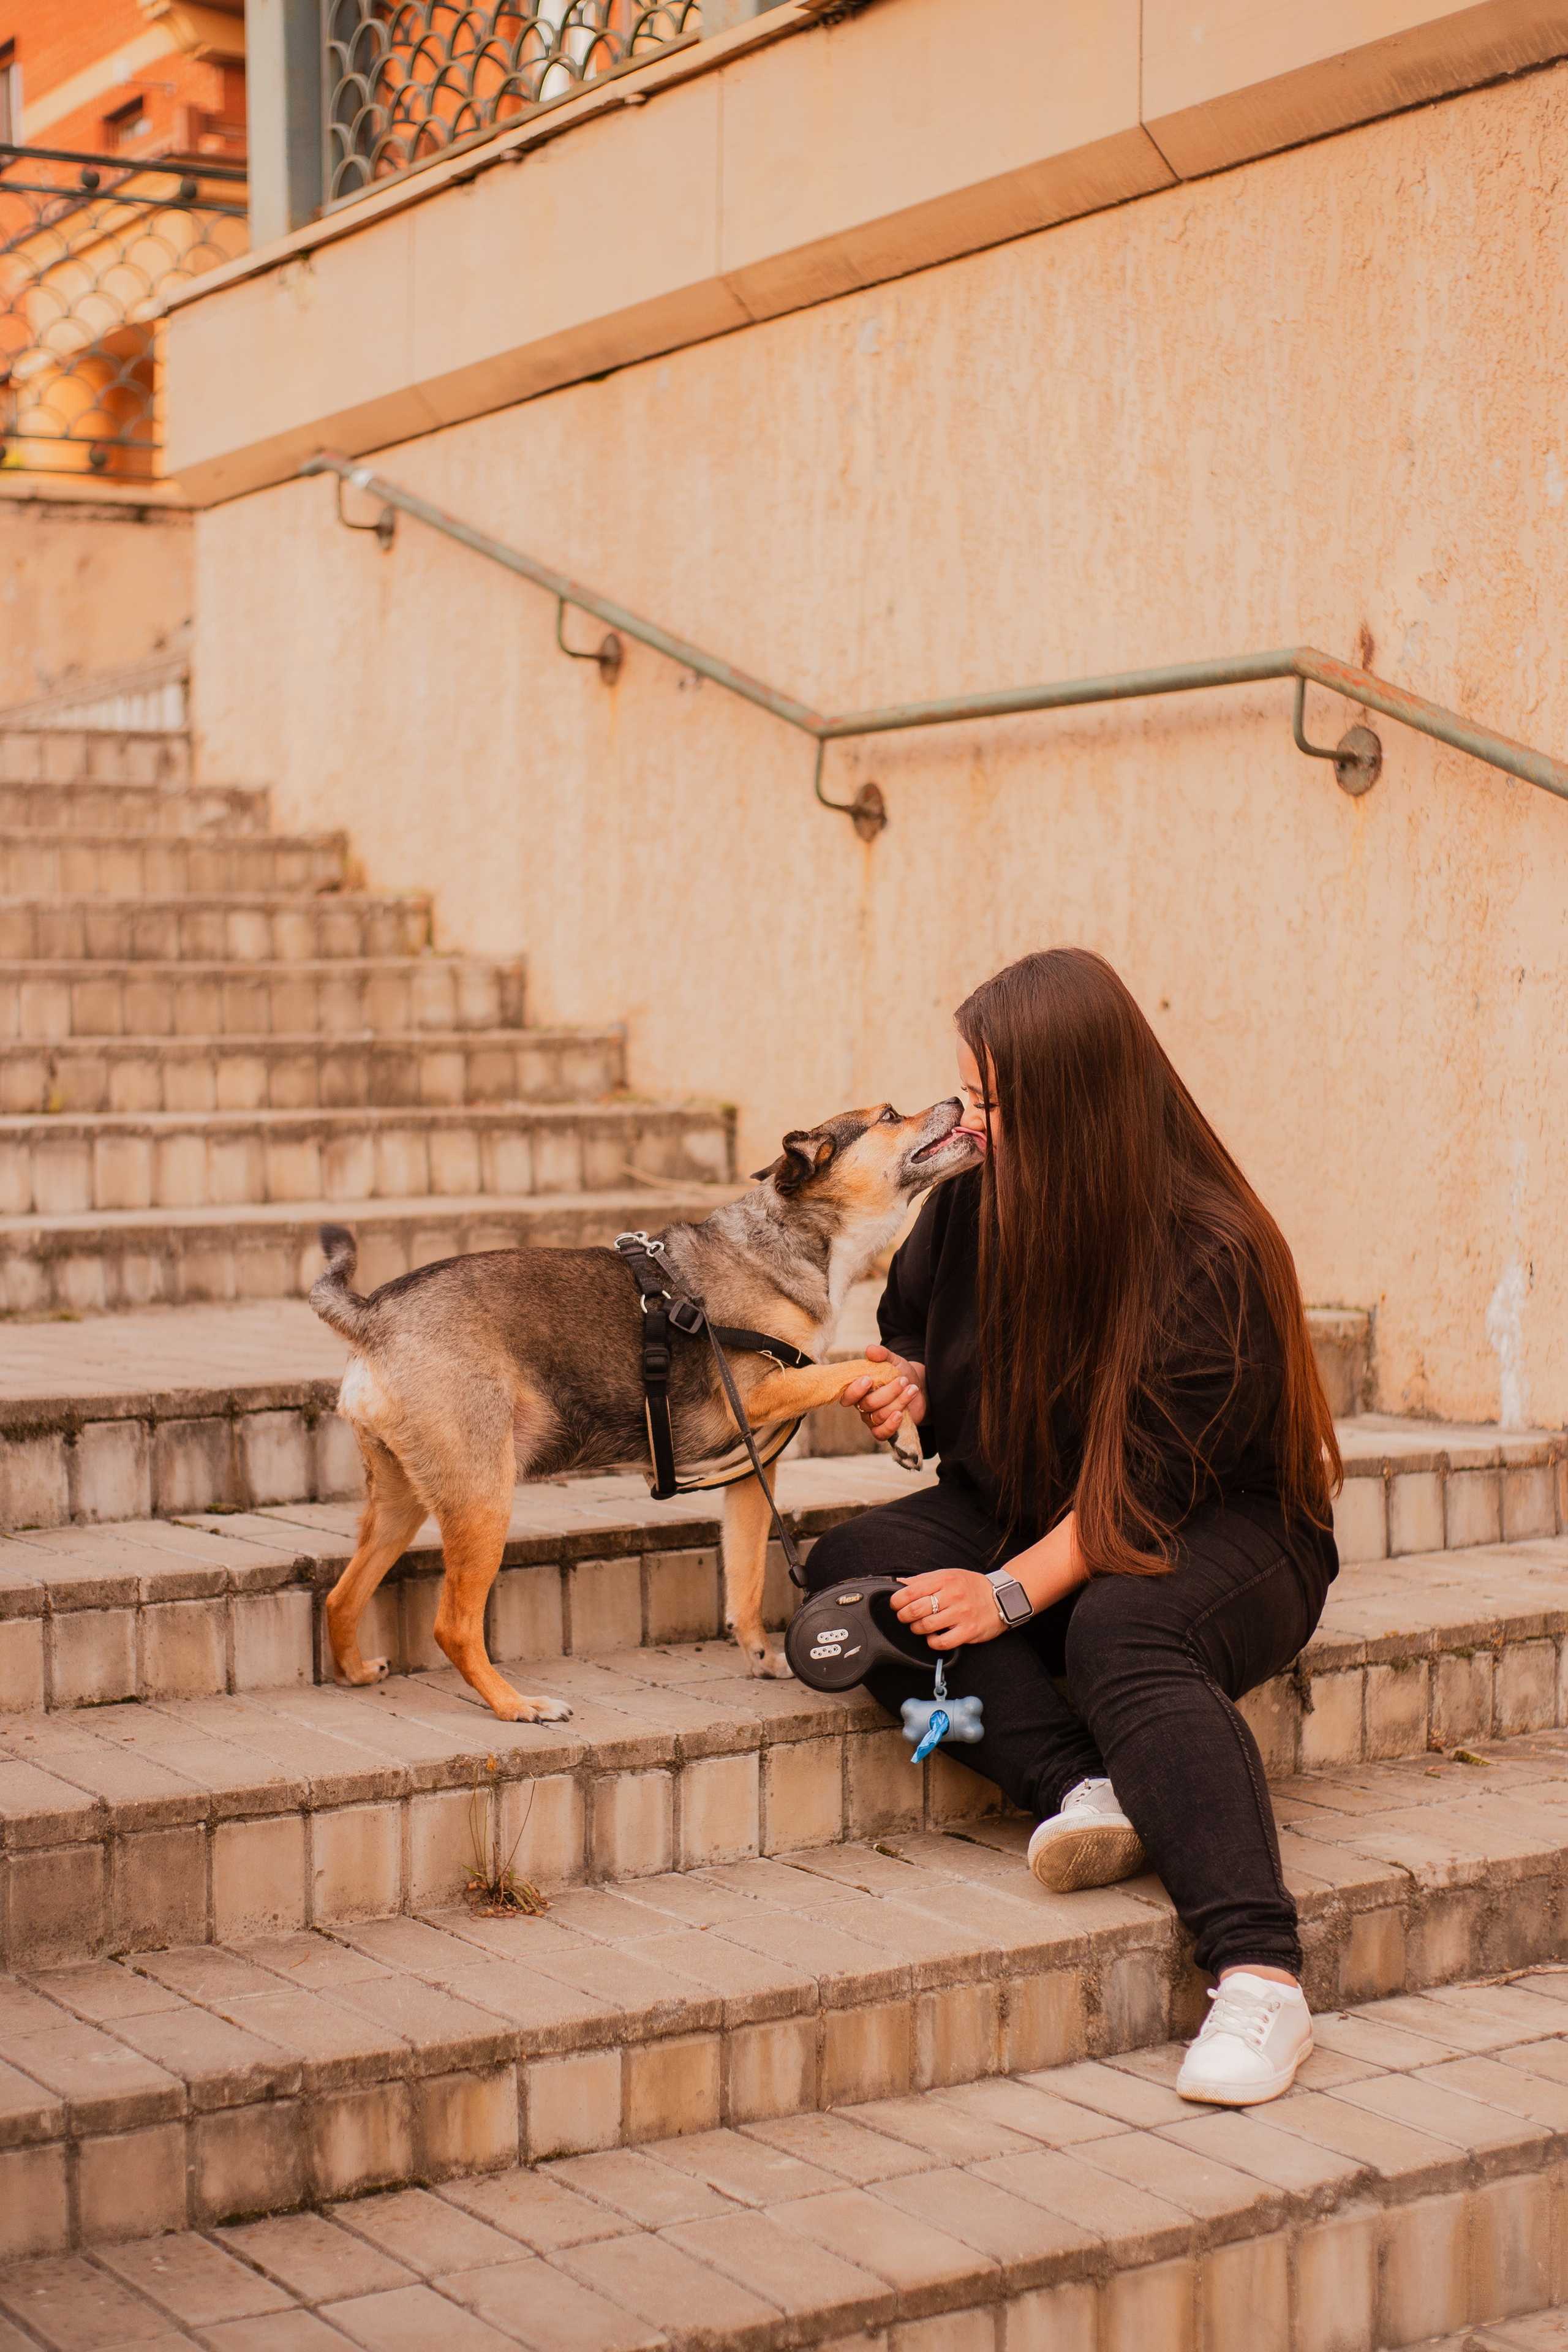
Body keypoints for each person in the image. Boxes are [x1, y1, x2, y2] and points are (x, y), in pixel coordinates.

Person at [819, 948, 1341, 2108]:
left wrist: (1004, 1595)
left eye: (997, 1103)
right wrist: (903, 1385)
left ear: (1081, 1102)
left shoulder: (1213, 1251)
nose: (970, 1124)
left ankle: (1262, 1977)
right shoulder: (964, 1209)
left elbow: (1146, 1491)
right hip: (1027, 1500)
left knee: (1119, 1631)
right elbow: (913, 1339)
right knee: (850, 1592)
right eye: (968, 1093)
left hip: (1222, 1524)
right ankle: (1083, 1785)